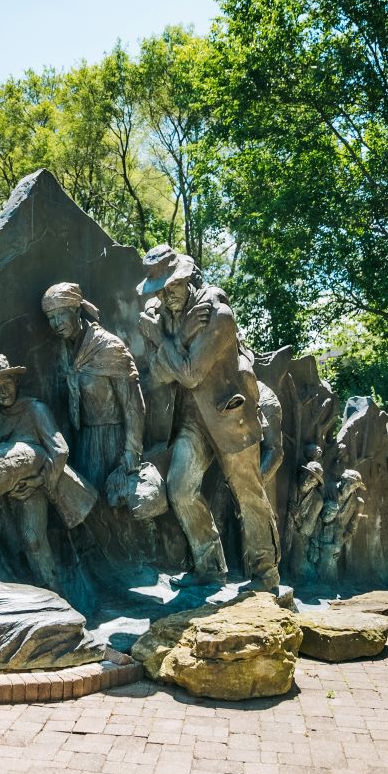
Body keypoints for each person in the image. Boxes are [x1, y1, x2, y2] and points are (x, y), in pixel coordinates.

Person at [137, 245, 281, 589]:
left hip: (229, 416)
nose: (166, 295)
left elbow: (188, 375)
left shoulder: (218, 316)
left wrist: (162, 339)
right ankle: (209, 567)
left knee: (248, 493)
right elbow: (153, 377)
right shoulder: (168, 317)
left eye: (172, 286)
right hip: (192, 420)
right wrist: (180, 334)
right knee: (180, 488)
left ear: (188, 280)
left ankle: (266, 573)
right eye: (160, 289)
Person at [0, 356, 71, 591]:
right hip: (0, 495)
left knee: (33, 540)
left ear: (16, 382)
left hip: (34, 487)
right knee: (11, 545)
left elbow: (60, 450)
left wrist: (39, 481)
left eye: (6, 385)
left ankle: (55, 593)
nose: (2, 392)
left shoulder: (35, 409)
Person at [41, 282, 145, 492]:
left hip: (112, 440)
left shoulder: (108, 347)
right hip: (84, 440)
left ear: (77, 310)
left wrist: (132, 451)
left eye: (61, 314)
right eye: (51, 318)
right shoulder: (65, 351)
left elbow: (133, 403)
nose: (56, 323)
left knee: (108, 502)